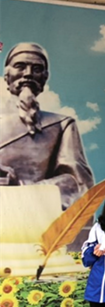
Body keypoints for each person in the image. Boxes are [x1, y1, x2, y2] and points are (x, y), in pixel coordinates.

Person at [0, 42, 94, 208]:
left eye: (37, 69)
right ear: (7, 75)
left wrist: (21, 188)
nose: (28, 74)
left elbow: (77, 183)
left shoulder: (61, 125)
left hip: (35, 215)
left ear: (44, 78)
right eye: (20, 67)